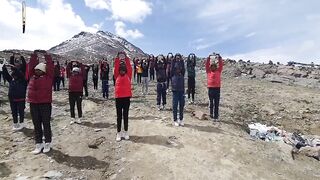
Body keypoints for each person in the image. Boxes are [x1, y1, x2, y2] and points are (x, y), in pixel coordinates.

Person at [27, 50, 54, 154]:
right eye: (36, 69)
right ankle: (38, 144)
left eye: (39, 70)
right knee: (36, 124)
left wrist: (47, 56)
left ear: (44, 71)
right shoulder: (31, 77)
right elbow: (30, 66)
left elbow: (50, 67)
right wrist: (34, 55)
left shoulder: (48, 77)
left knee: (46, 124)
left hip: (45, 104)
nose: (37, 71)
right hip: (33, 103)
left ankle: (47, 142)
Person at [2, 59, 27, 131]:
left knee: (21, 111)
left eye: (15, 75)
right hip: (12, 99)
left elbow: (19, 73)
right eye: (13, 76)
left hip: (21, 99)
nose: (14, 77)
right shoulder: (12, 80)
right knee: (14, 112)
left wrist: (14, 68)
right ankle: (15, 123)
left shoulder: (23, 80)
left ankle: (22, 123)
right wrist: (4, 68)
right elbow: (6, 75)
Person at [114, 52, 132, 142]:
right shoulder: (116, 76)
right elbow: (116, 66)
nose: (122, 71)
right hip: (118, 98)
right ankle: (118, 133)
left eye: (123, 69)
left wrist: (126, 58)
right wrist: (118, 58)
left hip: (126, 98)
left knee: (125, 115)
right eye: (120, 69)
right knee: (119, 116)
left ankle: (125, 131)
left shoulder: (128, 76)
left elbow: (129, 67)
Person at [205, 53, 223, 121]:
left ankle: (216, 116)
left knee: (216, 103)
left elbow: (221, 65)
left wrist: (219, 58)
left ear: (216, 67)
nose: (213, 67)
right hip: (210, 89)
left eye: (214, 66)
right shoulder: (208, 71)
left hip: (217, 89)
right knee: (211, 103)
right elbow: (206, 65)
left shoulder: (218, 71)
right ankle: (211, 114)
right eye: (212, 66)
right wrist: (208, 58)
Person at [171, 53, 185, 127]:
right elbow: (171, 68)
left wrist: (182, 61)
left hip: (181, 90)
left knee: (181, 105)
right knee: (175, 105)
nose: (178, 69)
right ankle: (175, 119)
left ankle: (181, 119)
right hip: (175, 90)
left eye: (178, 58)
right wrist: (173, 60)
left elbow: (183, 69)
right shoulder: (173, 74)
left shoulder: (182, 74)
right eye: (177, 58)